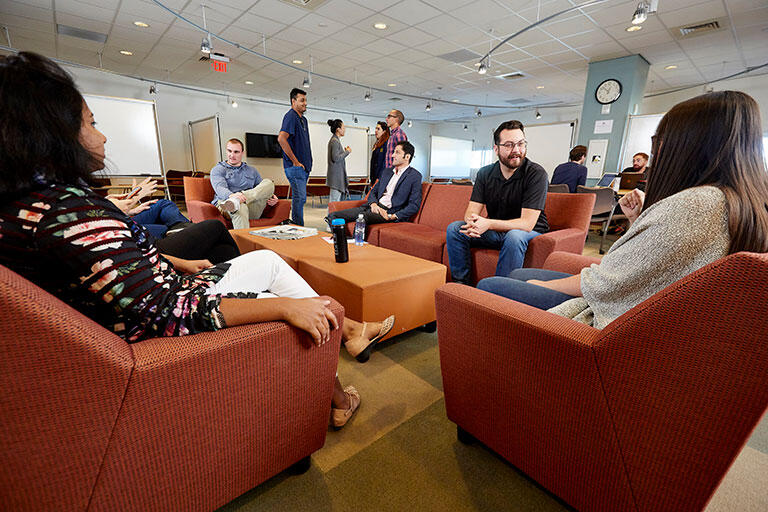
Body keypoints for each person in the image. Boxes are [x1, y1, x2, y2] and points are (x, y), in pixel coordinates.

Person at [0, 52, 398, 429]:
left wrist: (181, 262)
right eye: (90, 123)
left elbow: (121, 269)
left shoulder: (35, 207)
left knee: (272, 260)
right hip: (165, 326)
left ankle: (350, 336)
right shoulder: (70, 217)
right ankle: (340, 381)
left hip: (170, 287)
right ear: (51, 134)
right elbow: (169, 311)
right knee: (298, 301)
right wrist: (286, 307)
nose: (102, 136)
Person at [476, 91, 768, 329]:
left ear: (690, 146)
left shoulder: (697, 205)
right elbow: (651, 265)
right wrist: (640, 222)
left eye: (660, 143)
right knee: (514, 275)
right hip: (624, 303)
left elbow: (608, 282)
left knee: (491, 285)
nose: (658, 153)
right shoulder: (734, 201)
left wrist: (542, 283)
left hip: (603, 315)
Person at [446, 120, 549, 285]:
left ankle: (499, 292)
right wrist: (473, 222)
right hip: (496, 232)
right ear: (496, 149)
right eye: (509, 145)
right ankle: (461, 284)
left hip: (528, 232)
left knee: (514, 236)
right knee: (455, 229)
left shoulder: (536, 174)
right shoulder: (485, 173)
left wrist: (488, 224)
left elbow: (527, 224)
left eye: (521, 144)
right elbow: (471, 211)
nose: (516, 150)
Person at [328, 141, 421, 230]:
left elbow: (414, 205)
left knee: (362, 218)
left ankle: (355, 244)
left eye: (397, 152)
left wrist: (393, 216)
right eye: (393, 152)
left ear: (407, 156)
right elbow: (373, 191)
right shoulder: (387, 172)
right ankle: (340, 242)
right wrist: (373, 204)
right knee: (333, 215)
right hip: (373, 207)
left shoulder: (414, 176)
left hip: (388, 212)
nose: (393, 155)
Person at [210, 138, 278, 230]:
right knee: (239, 207)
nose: (232, 155)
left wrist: (272, 196)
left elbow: (261, 189)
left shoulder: (252, 170)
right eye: (229, 151)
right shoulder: (218, 169)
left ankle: (238, 200)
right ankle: (243, 244)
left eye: (236, 152)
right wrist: (233, 196)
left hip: (251, 206)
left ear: (242, 153)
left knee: (269, 183)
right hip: (226, 205)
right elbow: (220, 189)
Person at [278, 88, 312, 226]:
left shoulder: (303, 119)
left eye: (305, 100)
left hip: (303, 168)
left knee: (300, 199)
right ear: (293, 101)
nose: (305, 103)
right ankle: (299, 228)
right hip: (295, 167)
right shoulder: (291, 116)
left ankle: (298, 226)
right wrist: (295, 161)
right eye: (302, 100)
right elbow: (281, 139)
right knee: (300, 198)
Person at [326, 119, 351, 204]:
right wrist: (347, 152)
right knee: (334, 202)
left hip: (336, 176)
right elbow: (336, 158)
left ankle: (332, 217)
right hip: (336, 177)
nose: (344, 130)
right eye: (343, 127)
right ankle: (331, 217)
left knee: (335, 201)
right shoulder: (335, 141)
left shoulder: (335, 140)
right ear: (338, 129)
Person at [370, 121, 389, 186]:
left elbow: (384, 163)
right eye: (375, 128)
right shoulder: (377, 144)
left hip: (380, 179)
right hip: (374, 178)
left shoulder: (386, 144)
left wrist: (378, 179)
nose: (375, 131)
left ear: (384, 131)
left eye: (378, 129)